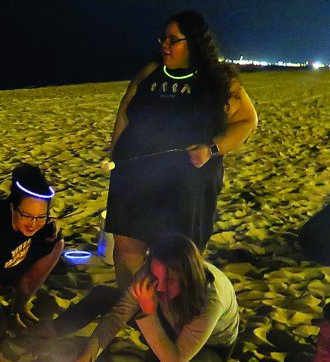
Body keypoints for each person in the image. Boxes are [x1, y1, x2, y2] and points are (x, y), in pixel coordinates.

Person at [105, 10, 258, 287]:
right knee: (127, 249)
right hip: (134, 178)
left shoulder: (217, 79)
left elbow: (247, 120)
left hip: (188, 183)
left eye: (173, 40)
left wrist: (212, 149)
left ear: (194, 42)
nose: (164, 44)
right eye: (163, 38)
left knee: (180, 255)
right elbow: (125, 113)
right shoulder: (150, 73)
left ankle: (174, 311)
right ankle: (131, 307)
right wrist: (116, 158)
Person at [61, 234, 238, 362]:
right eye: (155, 277)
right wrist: (86, 358)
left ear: (186, 278)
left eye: (169, 281)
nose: (160, 287)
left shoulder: (209, 301)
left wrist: (149, 311)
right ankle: (47, 330)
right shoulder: (151, 274)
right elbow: (118, 316)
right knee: (103, 296)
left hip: (211, 346)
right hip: (167, 322)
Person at [0, 165, 64, 343]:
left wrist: (53, 227)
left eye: (41, 217)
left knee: (56, 245)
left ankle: (19, 307)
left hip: (5, 272)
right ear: (13, 208)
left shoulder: (42, 225)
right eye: (27, 216)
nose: (33, 224)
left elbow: (51, 232)